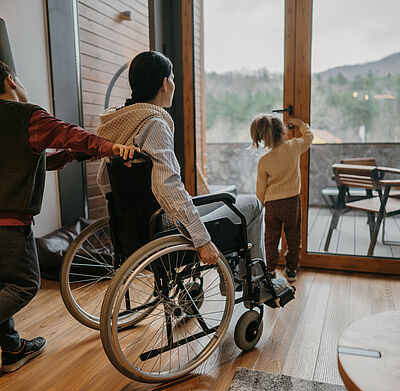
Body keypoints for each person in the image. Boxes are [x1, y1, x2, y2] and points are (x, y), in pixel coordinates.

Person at [0, 61, 137, 373]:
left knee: (1, 285)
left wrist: (72, 155)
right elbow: (69, 133)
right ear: (11, 79)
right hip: (8, 225)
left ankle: (13, 349)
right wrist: (112, 148)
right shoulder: (27, 116)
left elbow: (31, 160)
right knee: (24, 284)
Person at [96, 50, 265, 266]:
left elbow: (103, 180)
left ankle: (237, 279)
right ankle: (256, 283)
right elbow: (168, 185)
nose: (173, 84)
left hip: (132, 229)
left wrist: (124, 213)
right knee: (252, 204)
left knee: (224, 200)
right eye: (173, 78)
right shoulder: (154, 125)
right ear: (165, 83)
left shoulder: (119, 124)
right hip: (164, 228)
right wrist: (202, 239)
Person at [251, 114, 313, 282]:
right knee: (293, 237)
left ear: (262, 138)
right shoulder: (293, 146)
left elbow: (260, 189)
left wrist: (260, 205)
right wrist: (301, 124)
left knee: (271, 238)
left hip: (272, 205)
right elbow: (309, 137)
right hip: (292, 202)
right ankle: (291, 270)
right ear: (283, 130)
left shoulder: (264, 161)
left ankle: (270, 271)